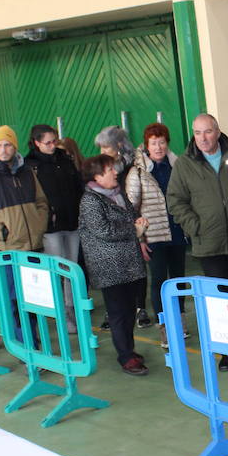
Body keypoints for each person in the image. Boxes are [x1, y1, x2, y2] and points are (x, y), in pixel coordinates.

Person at [166, 113, 228, 370]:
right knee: (220, 300)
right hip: (208, 244)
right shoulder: (185, 164)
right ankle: (227, 353)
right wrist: (195, 227)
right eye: (197, 133)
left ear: (217, 131)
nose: (202, 138)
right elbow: (175, 200)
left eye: (207, 132)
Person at [0, 125, 49, 348]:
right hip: (7, 251)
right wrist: (0, 232)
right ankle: (27, 348)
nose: (4, 149)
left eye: (8, 144)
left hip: (33, 248)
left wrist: (39, 225)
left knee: (34, 299)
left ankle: (32, 340)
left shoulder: (27, 172)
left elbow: (41, 202)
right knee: (14, 301)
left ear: (15, 146)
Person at [79, 155, 150, 375]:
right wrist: (134, 229)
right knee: (118, 312)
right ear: (97, 176)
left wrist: (138, 221)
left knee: (129, 310)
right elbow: (104, 231)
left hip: (127, 263)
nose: (115, 172)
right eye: (110, 169)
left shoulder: (117, 193)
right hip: (109, 267)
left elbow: (130, 215)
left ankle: (129, 350)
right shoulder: (90, 200)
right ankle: (126, 356)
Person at [126, 123, 187, 347]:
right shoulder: (137, 172)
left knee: (179, 279)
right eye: (154, 143)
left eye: (162, 142)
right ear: (147, 145)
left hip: (178, 233)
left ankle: (180, 321)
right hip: (153, 236)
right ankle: (165, 327)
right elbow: (131, 209)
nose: (159, 147)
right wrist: (140, 239)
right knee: (160, 281)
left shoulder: (178, 166)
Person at [26, 124, 83, 276]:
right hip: (50, 226)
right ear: (37, 143)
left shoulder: (65, 158)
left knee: (72, 268)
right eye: (48, 143)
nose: (52, 146)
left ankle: (71, 300)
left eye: (54, 141)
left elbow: (78, 187)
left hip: (72, 221)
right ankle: (58, 300)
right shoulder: (30, 165)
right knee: (54, 270)